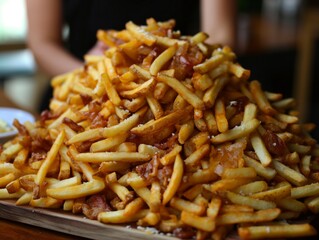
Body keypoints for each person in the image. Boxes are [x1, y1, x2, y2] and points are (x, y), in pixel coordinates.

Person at [25, 0, 236, 110]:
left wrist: (181, 61)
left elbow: (221, 34)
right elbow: (42, 43)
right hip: (82, 89)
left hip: (185, 89)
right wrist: (95, 72)